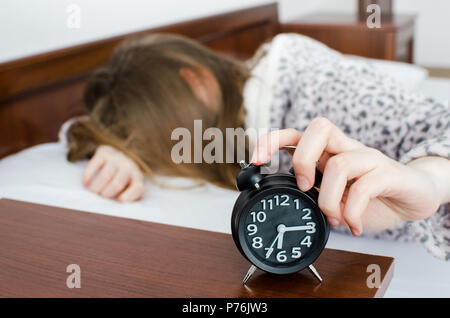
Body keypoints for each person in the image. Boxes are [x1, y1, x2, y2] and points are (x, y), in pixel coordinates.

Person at [66, 33, 450, 260]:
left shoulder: (308, 82)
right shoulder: (228, 134)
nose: (187, 153)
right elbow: (68, 130)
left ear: (197, 80)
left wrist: (429, 181)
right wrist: (123, 150)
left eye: (170, 135)